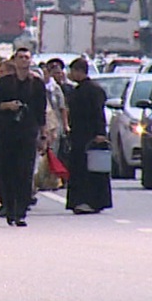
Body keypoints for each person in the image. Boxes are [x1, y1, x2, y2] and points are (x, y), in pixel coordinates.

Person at [0, 48, 49, 226]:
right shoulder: (4, 83)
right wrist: (7, 106)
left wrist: (43, 136)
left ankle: (20, 211)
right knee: (5, 172)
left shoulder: (36, 84)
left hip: (27, 134)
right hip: (6, 133)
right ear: (14, 61)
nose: (23, 61)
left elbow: (41, 112)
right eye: (20, 57)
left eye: (26, 58)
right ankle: (8, 207)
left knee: (25, 172)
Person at [64, 57, 112, 214]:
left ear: (78, 71)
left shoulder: (93, 90)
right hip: (79, 135)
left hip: (89, 135)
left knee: (90, 170)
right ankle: (80, 201)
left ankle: (90, 201)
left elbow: (98, 113)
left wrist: (100, 133)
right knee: (80, 168)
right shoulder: (79, 90)